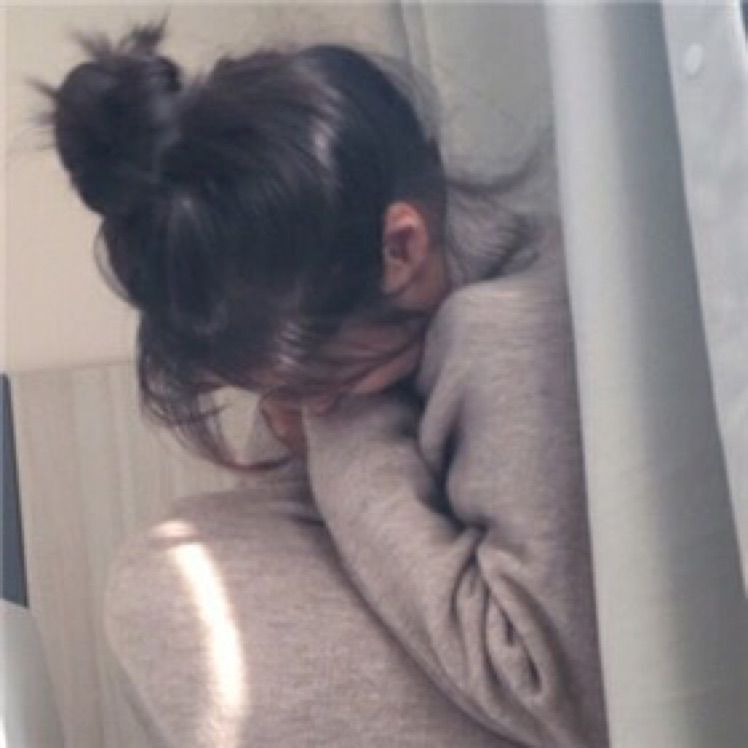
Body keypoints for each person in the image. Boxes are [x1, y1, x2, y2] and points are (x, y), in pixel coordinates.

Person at [34, 17, 609, 747]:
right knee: (164, 579)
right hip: (444, 638)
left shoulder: (507, 336)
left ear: (402, 247)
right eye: (282, 393)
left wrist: (348, 432)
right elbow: (307, 516)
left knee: (168, 595)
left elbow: (552, 690)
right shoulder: (358, 312)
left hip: (522, 696)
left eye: (324, 383)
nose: (310, 410)